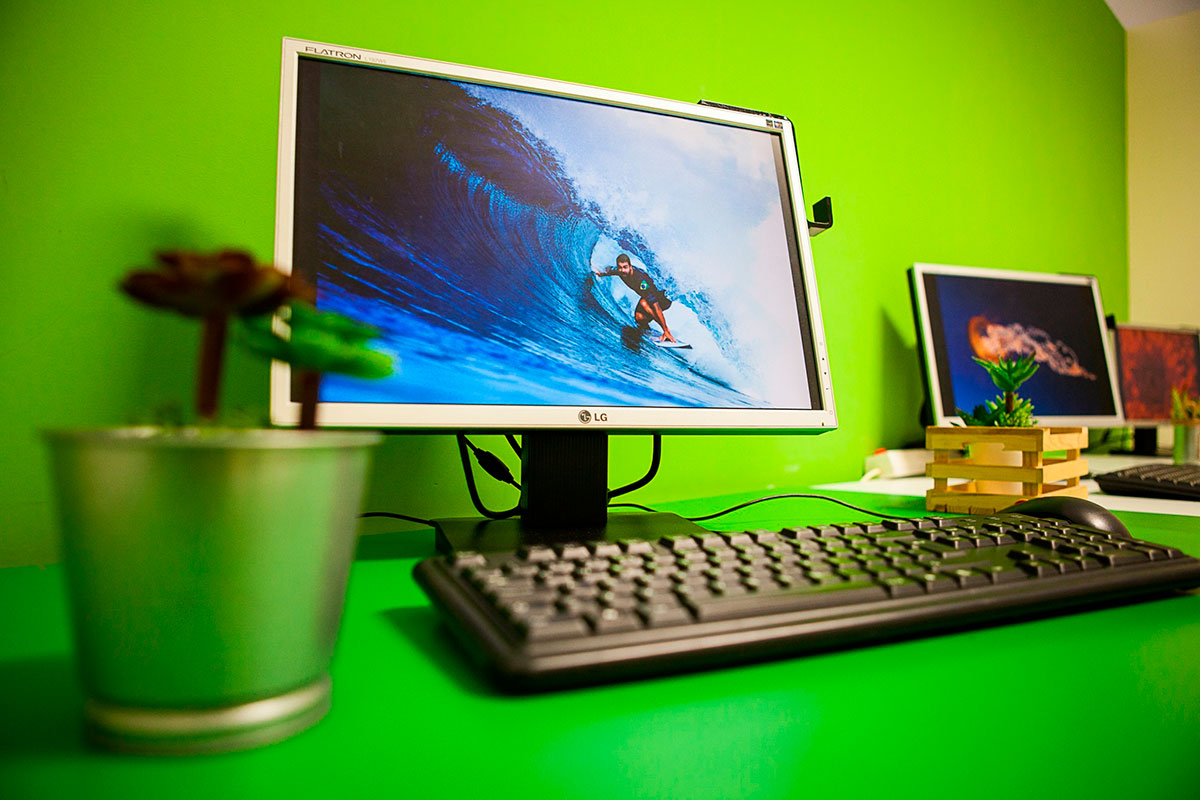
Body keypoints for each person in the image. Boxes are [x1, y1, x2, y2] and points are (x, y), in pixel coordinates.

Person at [592, 253, 677, 343]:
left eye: (625, 267)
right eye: (620, 267)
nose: (622, 270)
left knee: (644, 304)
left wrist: (666, 330)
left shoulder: (641, 282)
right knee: (639, 317)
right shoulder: (619, 271)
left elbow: (656, 306)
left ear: (630, 266)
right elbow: (608, 270)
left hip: (663, 299)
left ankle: (666, 332)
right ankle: (648, 332)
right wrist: (599, 272)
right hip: (648, 297)